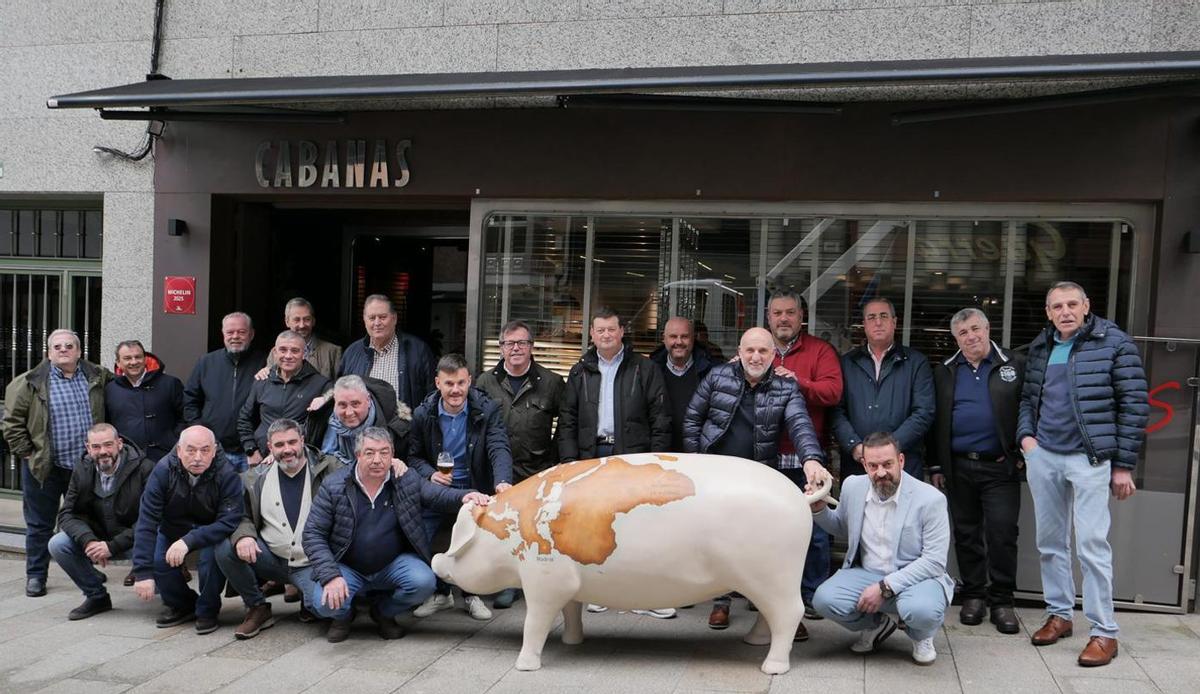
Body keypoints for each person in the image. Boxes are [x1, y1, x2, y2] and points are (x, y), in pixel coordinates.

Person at [1018, 281, 1148, 667]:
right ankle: (1059, 614)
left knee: (1092, 546)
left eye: (1073, 304)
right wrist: (1027, 440)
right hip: (1045, 457)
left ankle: (1104, 633)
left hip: (1090, 460)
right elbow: (1029, 399)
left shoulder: (1114, 343)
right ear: (1048, 312)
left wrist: (1123, 465)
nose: (1065, 312)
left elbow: (1135, 404)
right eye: (1057, 306)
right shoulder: (1042, 346)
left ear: (1087, 305)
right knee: (1050, 543)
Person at [683, 326, 831, 634]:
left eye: (763, 351)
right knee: (718, 540)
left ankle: (776, 615)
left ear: (774, 354)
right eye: (749, 350)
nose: (755, 356)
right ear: (739, 351)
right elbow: (692, 418)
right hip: (716, 475)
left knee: (763, 546)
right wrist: (696, 464)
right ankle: (720, 602)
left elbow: (800, 424)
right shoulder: (716, 376)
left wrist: (812, 460)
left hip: (758, 478)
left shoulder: (785, 388)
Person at [302, 426, 491, 642]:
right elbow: (312, 534)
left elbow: (436, 495)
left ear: (393, 456)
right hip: (347, 567)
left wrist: (466, 496)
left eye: (384, 452)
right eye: (369, 452)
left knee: (423, 582)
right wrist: (330, 576)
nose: (377, 460)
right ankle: (344, 616)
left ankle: (383, 612)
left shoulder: (404, 479)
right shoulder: (334, 485)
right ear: (357, 456)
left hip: (392, 565)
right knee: (324, 604)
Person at [810, 432, 954, 665]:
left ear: (901, 461)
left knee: (922, 611)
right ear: (864, 464)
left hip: (917, 579)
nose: (881, 473)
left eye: (887, 464)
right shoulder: (853, 486)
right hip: (867, 573)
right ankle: (877, 625)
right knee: (824, 600)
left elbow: (935, 561)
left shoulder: (930, 499)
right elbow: (841, 526)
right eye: (873, 466)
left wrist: (885, 587)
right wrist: (819, 510)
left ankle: (921, 635)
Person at [928, 308, 1025, 634]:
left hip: (1000, 466)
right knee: (967, 534)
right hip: (958, 467)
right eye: (963, 333)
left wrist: (1023, 451)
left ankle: (1002, 601)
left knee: (1002, 533)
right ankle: (973, 596)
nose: (971, 337)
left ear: (987, 328)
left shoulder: (1013, 364)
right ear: (956, 338)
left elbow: (1028, 408)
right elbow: (936, 419)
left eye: (975, 329)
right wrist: (937, 464)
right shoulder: (944, 370)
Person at [2, 328, 111, 598]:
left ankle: (86, 569)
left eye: (69, 346)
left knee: (84, 522)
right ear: (49, 353)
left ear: (79, 351)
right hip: (45, 468)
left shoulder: (96, 376)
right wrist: (27, 453)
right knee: (39, 524)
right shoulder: (28, 383)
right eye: (58, 346)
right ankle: (36, 575)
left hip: (85, 468)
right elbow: (11, 423)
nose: (63, 350)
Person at [215, 419, 347, 639]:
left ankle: (308, 600)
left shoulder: (329, 467)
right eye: (279, 445)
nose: (287, 450)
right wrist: (244, 536)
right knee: (225, 547)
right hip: (270, 560)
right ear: (269, 447)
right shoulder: (255, 477)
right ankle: (257, 606)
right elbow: (240, 515)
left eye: (292, 442)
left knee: (329, 608)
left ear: (303, 440)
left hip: (311, 564)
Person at [409, 353, 513, 621]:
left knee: (472, 542)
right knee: (429, 537)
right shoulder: (423, 413)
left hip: (473, 484)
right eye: (449, 384)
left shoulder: (487, 409)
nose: (455, 390)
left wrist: (502, 481)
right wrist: (430, 474)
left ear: (470, 381)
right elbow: (414, 457)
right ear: (437, 383)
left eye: (461, 383)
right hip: (439, 487)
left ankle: (470, 595)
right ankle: (441, 594)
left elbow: (498, 446)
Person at [475, 319, 565, 609]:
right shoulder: (485, 382)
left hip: (536, 468)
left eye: (522, 343)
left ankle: (537, 583)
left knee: (535, 531)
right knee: (503, 531)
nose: (515, 348)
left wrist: (554, 461)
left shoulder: (551, 382)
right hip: (497, 470)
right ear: (501, 348)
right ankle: (508, 584)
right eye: (509, 343)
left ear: (531, 347)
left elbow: (566, 424)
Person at [765, 291, 843, 626]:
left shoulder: (820, 351)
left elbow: (833, 392)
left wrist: (801, 382)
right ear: (768, 317)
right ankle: (766, 594)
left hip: (807, 457)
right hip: (765, 456)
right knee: (765, 530)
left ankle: (813, 596)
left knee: (814, 530)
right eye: (777, 313)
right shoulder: (758, 348)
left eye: (790, 313)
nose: (783, 319)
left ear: (801, 317)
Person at [131, 425, 244, 634]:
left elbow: (230, 520)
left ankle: (208, 609)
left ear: (214, 449)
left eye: (205, 450)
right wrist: (142, 572)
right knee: (159, 560)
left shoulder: (226, 473)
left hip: (211, 529)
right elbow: (147, 521)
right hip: (173, 526)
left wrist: (189, 541)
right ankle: (183, 605)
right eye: (191, 450)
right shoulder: (163, 470)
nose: (198, 457)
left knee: (210, 561)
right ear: (179, 450)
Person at [49, 423, 154, 620]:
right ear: (88, 448)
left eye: (108, 445)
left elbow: (151, 520)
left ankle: (178, 600)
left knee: (160, 548)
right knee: (58, 544)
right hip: (98, 540)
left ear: (119, 444)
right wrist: (88, 541)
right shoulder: (81, 468)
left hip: (136, 541)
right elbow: (66, 514)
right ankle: (96, 596)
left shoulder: (144, 468)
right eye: (96, 447)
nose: (103, 452)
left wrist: (112, 546)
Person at [830, 297, 935, 479]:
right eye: (871, 317)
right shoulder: (847, 363)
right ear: (864, 324)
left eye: (883, 316)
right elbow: (836, 411)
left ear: (894, 322)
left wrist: (890, 449)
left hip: (904, 466)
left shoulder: (916, 363)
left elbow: (924, 412)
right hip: (858, 466)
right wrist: (854, 445)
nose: (878, 322)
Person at [558, 307, 670, 462]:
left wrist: (655, 460)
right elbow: (567, 421)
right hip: (589, 456)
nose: (606, 335)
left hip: (633, 458)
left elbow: (660, 419)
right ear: (592, 333)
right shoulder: (579, 372)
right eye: (600, 330)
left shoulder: (645, 369)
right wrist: (569, 461)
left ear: (622, 331)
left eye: (611, 329)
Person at [183, 312, 267, 472]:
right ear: (223, 334)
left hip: (252, 452)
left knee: (250, 497)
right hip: (214, 451)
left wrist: (255, 446)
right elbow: (190, 400)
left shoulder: (263, 363)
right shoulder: (206, 362)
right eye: (230, 332)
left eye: (241, 332)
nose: (235, 336)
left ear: (252, 334)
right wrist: (201, 433)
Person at [237, 330, 331, 463]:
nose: (288, 355)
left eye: (294, 351)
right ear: (275, 353)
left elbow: (337, 392)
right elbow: (244, 418)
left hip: (297, 460)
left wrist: (325, 397)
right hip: (261, 459)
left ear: (304, 354)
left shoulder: (319, 383)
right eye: (283, 350)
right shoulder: (263, 380)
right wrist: (251, 450)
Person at [337, 294, 436, 408]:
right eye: (372, 318)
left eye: (383, 317)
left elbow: (432, 395)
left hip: (405, 423)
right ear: (365, 320)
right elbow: (341, 393)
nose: (377, 323)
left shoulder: (418, 350)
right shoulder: (352, 352)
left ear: (394, 319)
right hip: (363, 425)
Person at [104, 340, 185, 462]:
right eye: (127, 358)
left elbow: (185, 416)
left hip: (166, 457)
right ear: (118, 363)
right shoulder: (110, 389)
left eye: (138, 357)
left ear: (145, 359)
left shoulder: (170, 384)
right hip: (127, 460)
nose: (134, 362)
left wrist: (174, 439)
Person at [316, 374, 412, 466]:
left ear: (368, 401)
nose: (349, 412)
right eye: (342, 405)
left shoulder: (397, 428)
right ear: (334, 403)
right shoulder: (320, 421)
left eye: (355, 404)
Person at [650, 316, 713, 453]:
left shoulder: (711, 372)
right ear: (664, 338)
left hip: (699, 454)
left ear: (693, 338)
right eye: (673, 336)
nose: (679, 342)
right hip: (660, 452)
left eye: (684, 336)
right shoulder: (650, 371)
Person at [263, 298, 342, 381]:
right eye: (297, 320)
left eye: (307, 319)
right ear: (287, 322)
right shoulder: (275, 352)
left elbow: (339, 388)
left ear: (313, 321)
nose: (302, 325)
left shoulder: (332, 352)